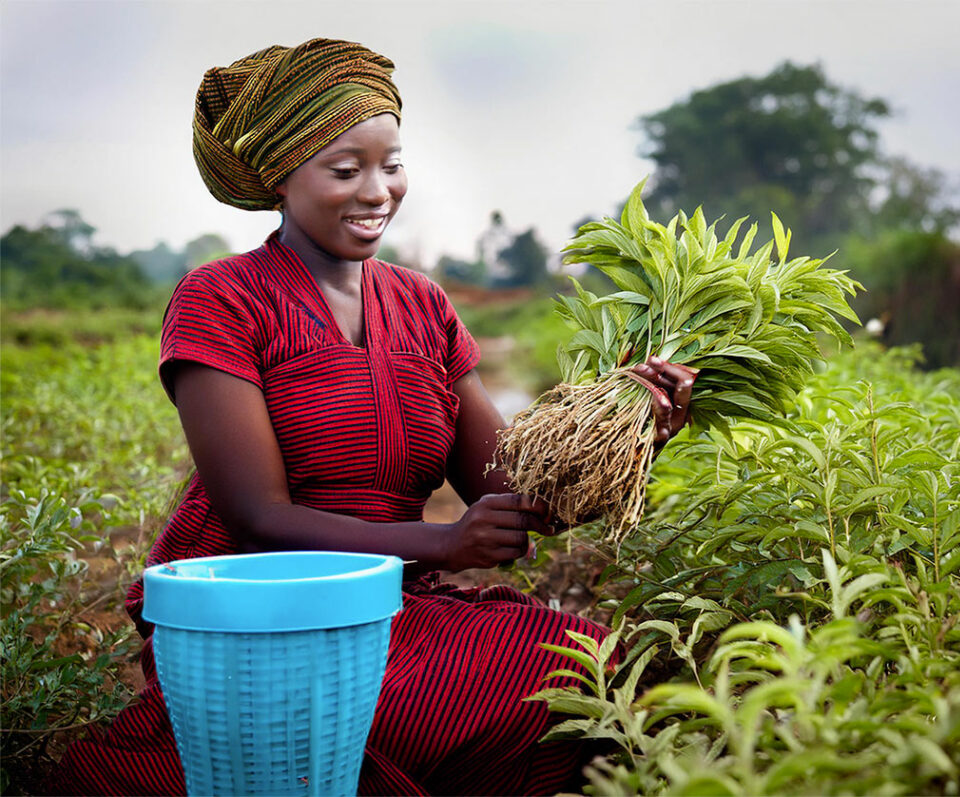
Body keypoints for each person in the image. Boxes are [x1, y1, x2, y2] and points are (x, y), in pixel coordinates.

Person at [53, 38, 696, 796]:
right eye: (345, 169)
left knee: (605, 676)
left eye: (391, 165)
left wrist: (628, 430)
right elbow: (259, 518)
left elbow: (517, 493)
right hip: (261, 620)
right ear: (282, 179)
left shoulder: (422, 304)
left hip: (389, 610)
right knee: (502, 703)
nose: (377, 192)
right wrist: (443, 541)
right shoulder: (221, 298)